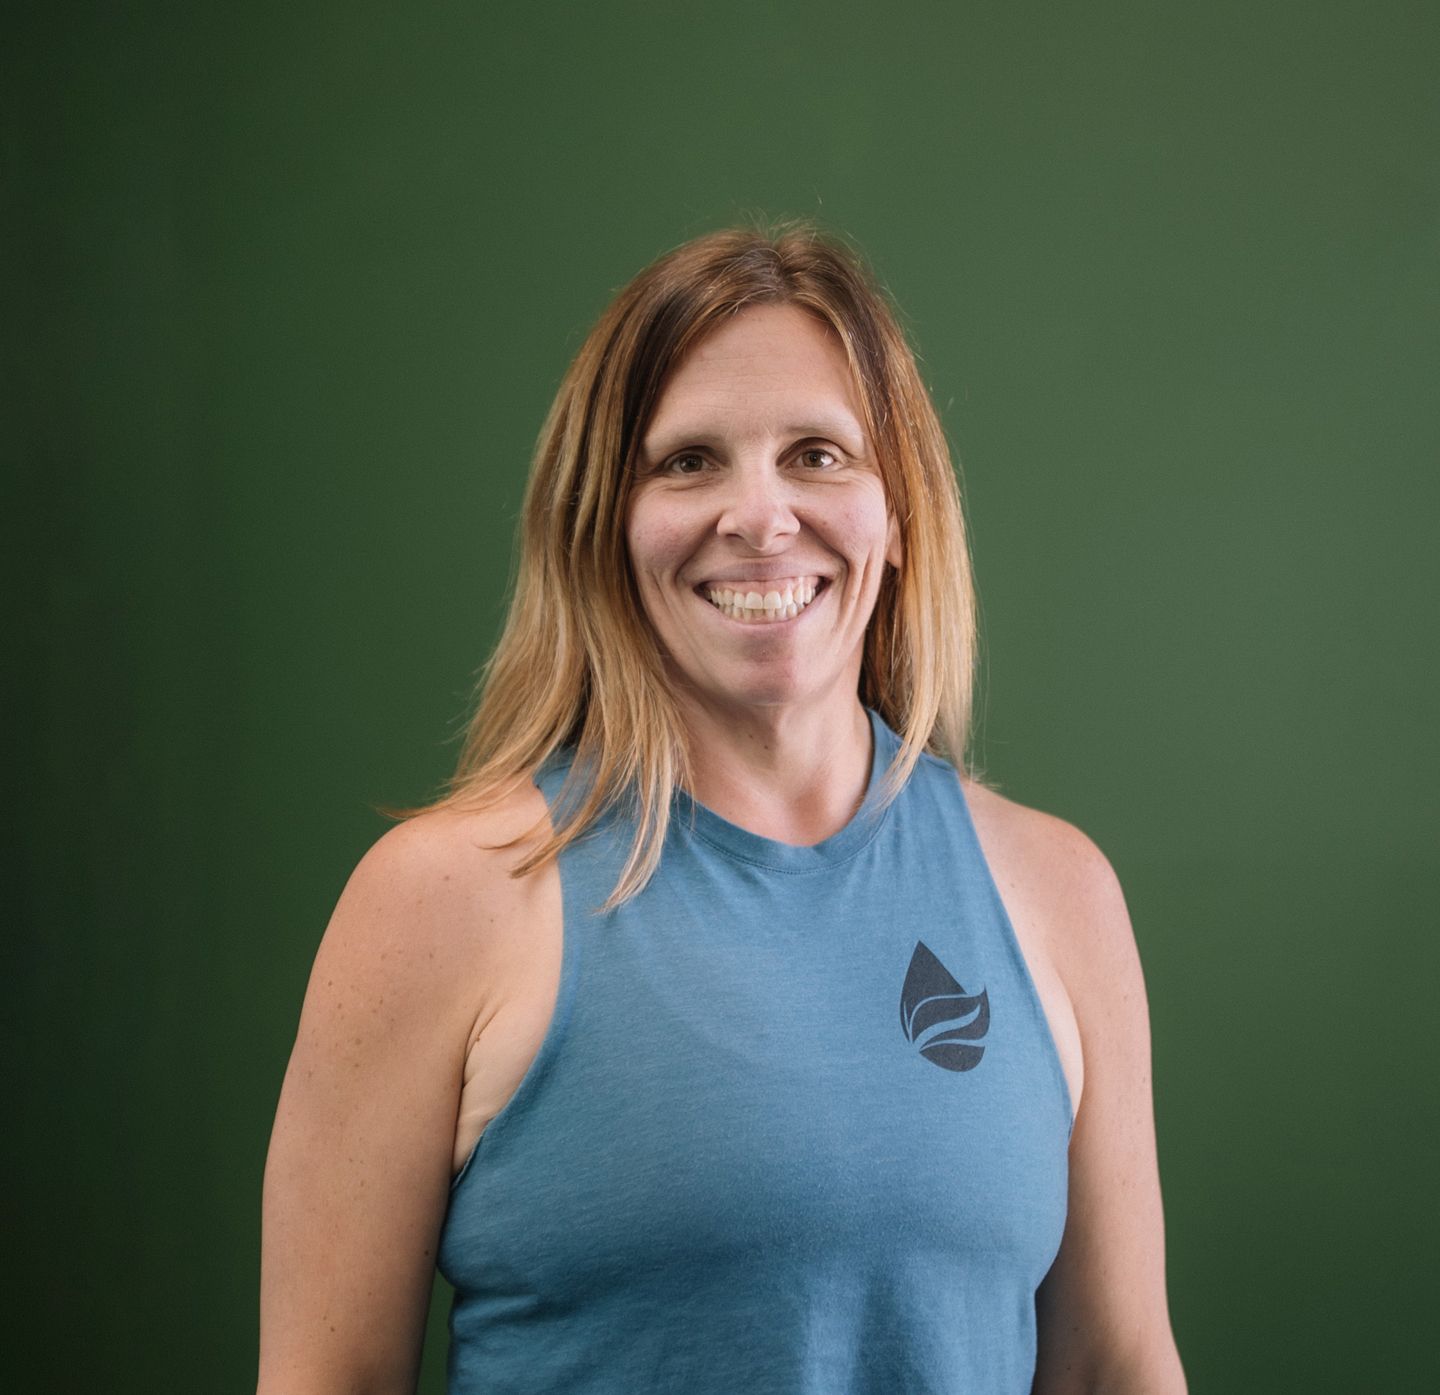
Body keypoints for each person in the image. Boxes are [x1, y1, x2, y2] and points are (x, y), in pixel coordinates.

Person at [258, 220, 1187, 1394]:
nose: (759, 516)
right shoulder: (445, 898)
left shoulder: (1057, 894)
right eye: (689, 461)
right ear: (604, 526)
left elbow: (1116, 1368)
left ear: (899, 513)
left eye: (819, 454)